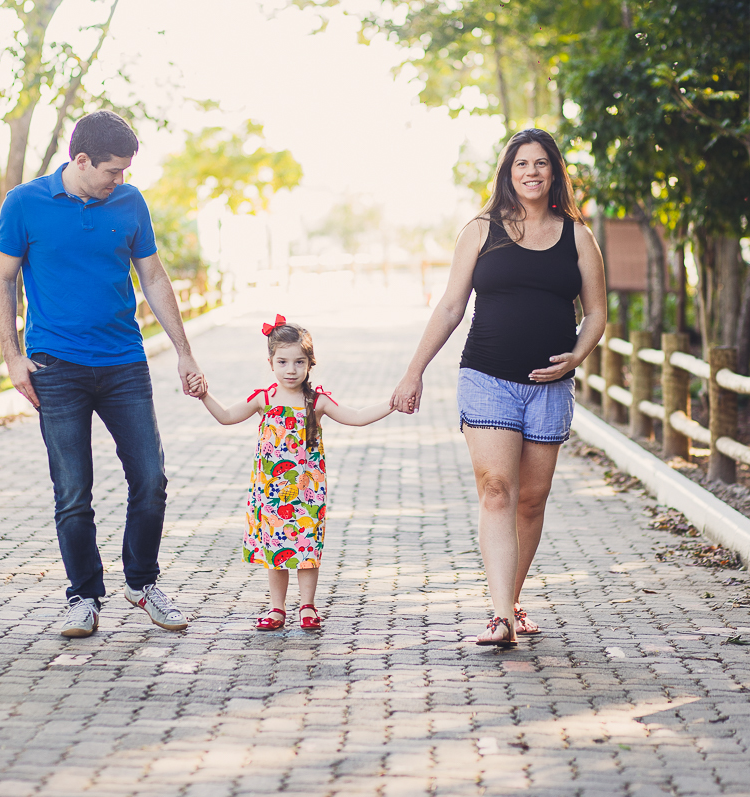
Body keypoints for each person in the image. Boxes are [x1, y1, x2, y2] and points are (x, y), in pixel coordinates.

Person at [0, 110, 205, 639]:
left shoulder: (130, 203)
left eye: (127, 171)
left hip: (123, 364)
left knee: (150, 480)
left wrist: (184, 351)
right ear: (80, 160)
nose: (121, 181)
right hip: (56, 367)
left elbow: (152, 277)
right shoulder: (24, 203)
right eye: (113, 171)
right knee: (72, 490)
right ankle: (84, 596)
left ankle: (142, 582)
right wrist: (12, 358)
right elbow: (1, 282)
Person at [390, 129, 607, 648]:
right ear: (508, 174)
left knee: (531, 500)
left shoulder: (578, 235)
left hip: (550, 389)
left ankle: (511, 598)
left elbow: (597, 312)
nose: (531, 172)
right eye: (521, 165)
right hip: (486, 379)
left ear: (554, 173)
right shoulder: (481, 231)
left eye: (541, 164)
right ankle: (501, 616)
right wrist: (413, 370)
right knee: (496, 492)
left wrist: (576, 356)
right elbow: (449, 307)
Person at [190, 316, 393, 630]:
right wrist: (204, 394)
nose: (290, 370)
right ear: (270, 362)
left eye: (299, 362)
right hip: (271, 493)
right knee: (276, 550)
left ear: (310, 364)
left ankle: (308, 606)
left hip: (306, 492)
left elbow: (356, 417)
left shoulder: (317, 401)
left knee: (307, 547)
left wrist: (392, 404)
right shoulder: (264, 399)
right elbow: (227, 416)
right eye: (282, 361)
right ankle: (277, 608)